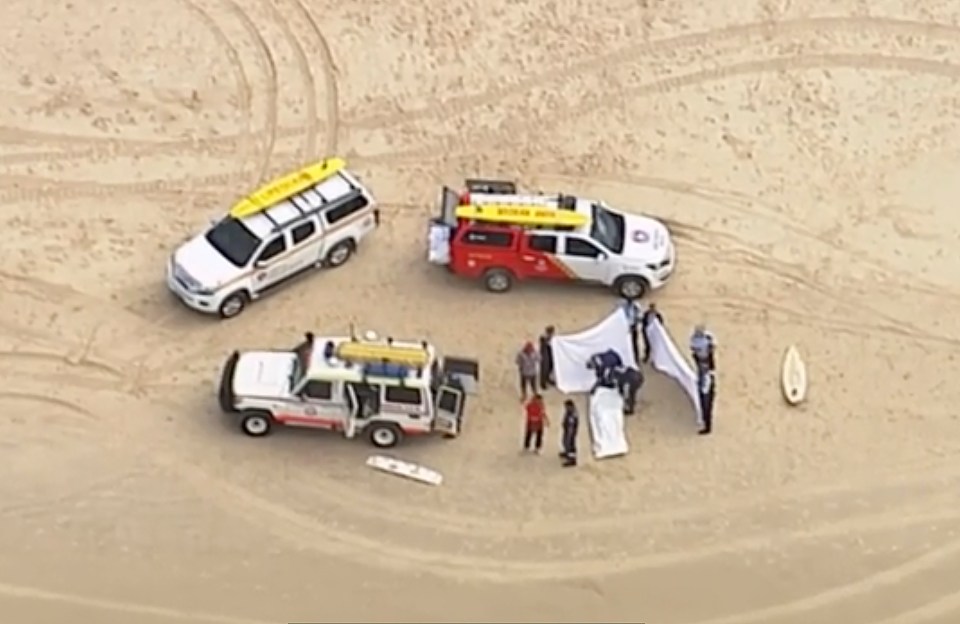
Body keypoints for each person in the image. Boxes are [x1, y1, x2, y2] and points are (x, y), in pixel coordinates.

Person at [697, 360, 716, 435]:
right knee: (705, 409)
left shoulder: (708, 375)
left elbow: (707, 387)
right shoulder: (707, 374)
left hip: (707, 394)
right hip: (706, 393)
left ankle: (707, 427)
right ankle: (706, 424)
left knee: (706, 409)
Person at [559, 399, 579, 467]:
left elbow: (571, 425)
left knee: (570, 445)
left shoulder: (573, 413)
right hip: (567, 430)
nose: (565, 408)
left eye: (566, 406)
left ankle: (572, 460)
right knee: (564, 442)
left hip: (570, 432)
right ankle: (567, 453)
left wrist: (569, 434)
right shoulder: (569, 411)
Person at [620, 298, 641, 363]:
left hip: (633, 326)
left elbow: (639, 316)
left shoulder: (636, 306)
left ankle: (636, 358)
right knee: (625, 342)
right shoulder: (623, 306)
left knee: (634, 343)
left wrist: (636, 323)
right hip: (625, 326)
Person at [538, 326, 556, 391]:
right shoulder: (543, 337)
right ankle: (542, 383)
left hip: (550, 354)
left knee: (551, 366)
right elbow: (544, 342)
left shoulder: (552, 337)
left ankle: (548, 378)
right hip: (544, 355)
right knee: (544, 369)